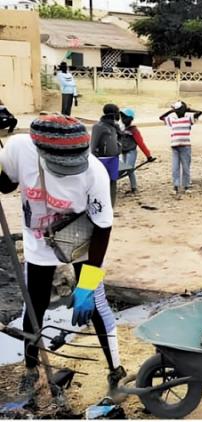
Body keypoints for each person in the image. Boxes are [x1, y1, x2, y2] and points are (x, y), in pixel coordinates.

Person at [0, 114, 126, 395]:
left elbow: (103, 228)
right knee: (34, 305)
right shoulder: (19, 148)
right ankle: (32, 369)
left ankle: (116, 370)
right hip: (39, 242)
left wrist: (88, 284)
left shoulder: (94, 172)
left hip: (82, 242)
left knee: (97, 305)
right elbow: (6, 185)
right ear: (41, 152)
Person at [159, 101, 202, 195]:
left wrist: (188, 110)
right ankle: (176, 186)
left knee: (186, 167)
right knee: (175, 167)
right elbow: (161, 117)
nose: (175, 112)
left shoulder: (188, 119)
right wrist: (171, 111)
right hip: (175, 147)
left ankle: (186, 186)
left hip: (185, 147)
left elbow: (199, 112)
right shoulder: (173, 119)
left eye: (176, 110)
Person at [90, 104, 122, 205]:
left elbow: (120, 139)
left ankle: (111, 207)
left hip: (114, 159)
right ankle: (102, 206)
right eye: (117, 111)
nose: (118, 114)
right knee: (102, 184)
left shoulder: (114, 126)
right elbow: (93, 145)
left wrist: (118, 148)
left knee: (113, 183)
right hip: (102, 159)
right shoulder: (98, 127)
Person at [119, 108, 155, 195]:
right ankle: (133, 187)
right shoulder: (121, 129)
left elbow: (141, 143)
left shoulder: (134, 130)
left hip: (131, 152)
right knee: (125, 169)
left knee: (130, 169)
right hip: (123, 152)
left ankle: (134, 188)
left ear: (131, 119)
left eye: (125, 117)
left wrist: (148, 155)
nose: (123, 119)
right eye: (122, 117)